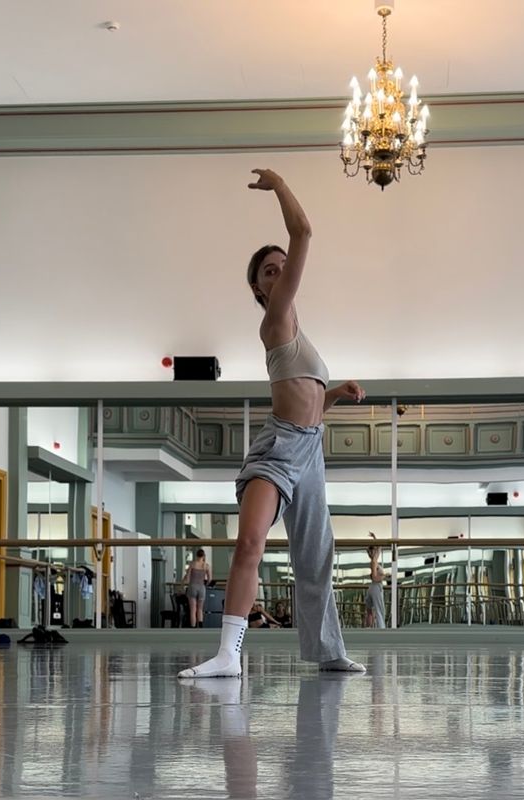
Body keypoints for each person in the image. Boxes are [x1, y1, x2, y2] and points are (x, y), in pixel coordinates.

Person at [178, 168, 367, 678]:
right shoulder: (277, 317)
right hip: (280, 448)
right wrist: (281, 186)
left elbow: (306, 400)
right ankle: (228, 655)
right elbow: (302, 232)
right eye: (269, 271)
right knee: (250, 543)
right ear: (259, 289)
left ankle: (328, 651)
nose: (279, 273)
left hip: (310, 448)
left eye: (282, 267)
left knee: (316, 554)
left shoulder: (302, 334)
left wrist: (334, 395)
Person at [184, 548, 211, 628]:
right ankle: (201, 627)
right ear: (203, 556)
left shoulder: (192, 564)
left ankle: (193, 627)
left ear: (196, 555)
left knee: (193, 610)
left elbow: (187, 578)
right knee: (200, 609)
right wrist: (206, 584)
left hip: (192, 587)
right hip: (201, 587)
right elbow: (210, 579)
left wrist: (183, 585)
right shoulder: (206, 566)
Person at [364, 532, 386, 629]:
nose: (377, 550)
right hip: (376, 587)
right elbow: (374, 577)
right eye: (374, 549)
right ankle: (381, 629)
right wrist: (384, 576)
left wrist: (374, 537)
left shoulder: (375, 560)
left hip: (372, 588)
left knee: (370, 611)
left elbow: (379, 547)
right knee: (379, 610)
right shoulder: (374, 562)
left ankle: (368, 628)